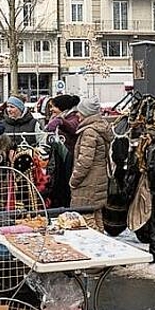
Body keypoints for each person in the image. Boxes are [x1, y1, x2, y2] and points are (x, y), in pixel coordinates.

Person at [70, 96, 113, 231]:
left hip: (88, 182)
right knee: (97, 216)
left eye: (80, 111)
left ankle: (94, 249)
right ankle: (102, 246)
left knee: (86, 219)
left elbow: (84, 162)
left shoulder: (89, 132)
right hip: (99, 179)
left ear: (86, 113)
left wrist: (73, 180)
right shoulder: (99, 128)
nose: (77, 114)